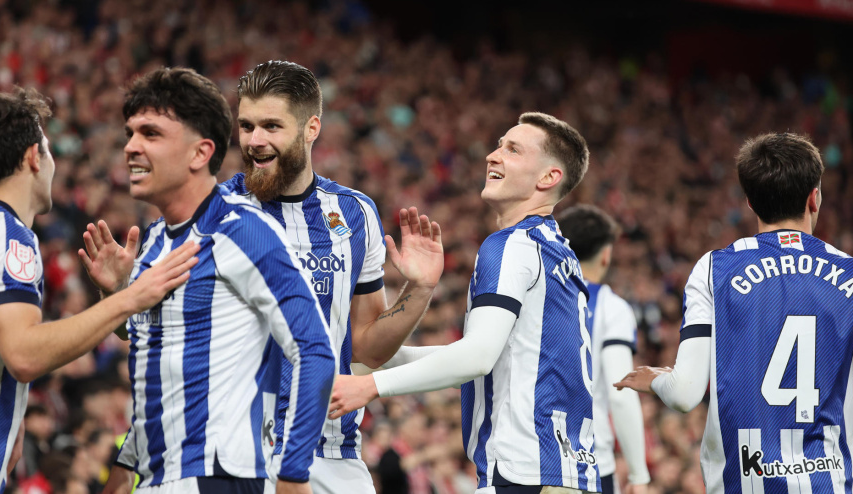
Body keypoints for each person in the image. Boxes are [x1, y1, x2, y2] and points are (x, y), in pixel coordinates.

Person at [84, 68, 337, 494]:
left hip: (216, 476)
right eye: (130, 133)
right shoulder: (153, 243)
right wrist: (126, 466)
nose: (131, 147)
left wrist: (293, 474)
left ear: (200, 153)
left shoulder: (242, 230)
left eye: (150, 134)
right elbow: (158, 356)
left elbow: (314, 349)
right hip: (155, 476)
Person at [330, 112, 599, 493]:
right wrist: (384, 356)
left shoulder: (512, 245)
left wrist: (371, 385)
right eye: (499, 145)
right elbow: (496, 359)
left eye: (513, 150)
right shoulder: (557, 251)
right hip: (564, 473)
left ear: (548, 177)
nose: (492, 155)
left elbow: (477, 357)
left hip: (526, 472)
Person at [221, 60, 444, 493]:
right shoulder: (216, 211)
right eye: (246, 126)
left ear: (312, 128)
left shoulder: (354, 214)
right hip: (237, 452)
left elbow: (367, 347)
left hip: (333, 452)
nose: (254, 141)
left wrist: (420, 289)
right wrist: (117, 290)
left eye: (271, 126)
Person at [0, 88, 197, 494]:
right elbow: (24, 353)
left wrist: (13, 407)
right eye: (49, 150)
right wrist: (131, 297)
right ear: (33, 157)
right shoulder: (6, 233)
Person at [616, 132, 853, 493]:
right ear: (814, 197)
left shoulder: (715, 268)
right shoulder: (848, 275)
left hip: (743, 482)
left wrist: (656, 380)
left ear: (750, 203)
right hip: (830, 482)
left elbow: (684, 394)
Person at [556, 205, 650, 494]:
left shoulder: (533, 297)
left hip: (528, 461)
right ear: (606, 254)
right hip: (588, 463)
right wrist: (638, 473)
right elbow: (620, 392)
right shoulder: (611, 308)